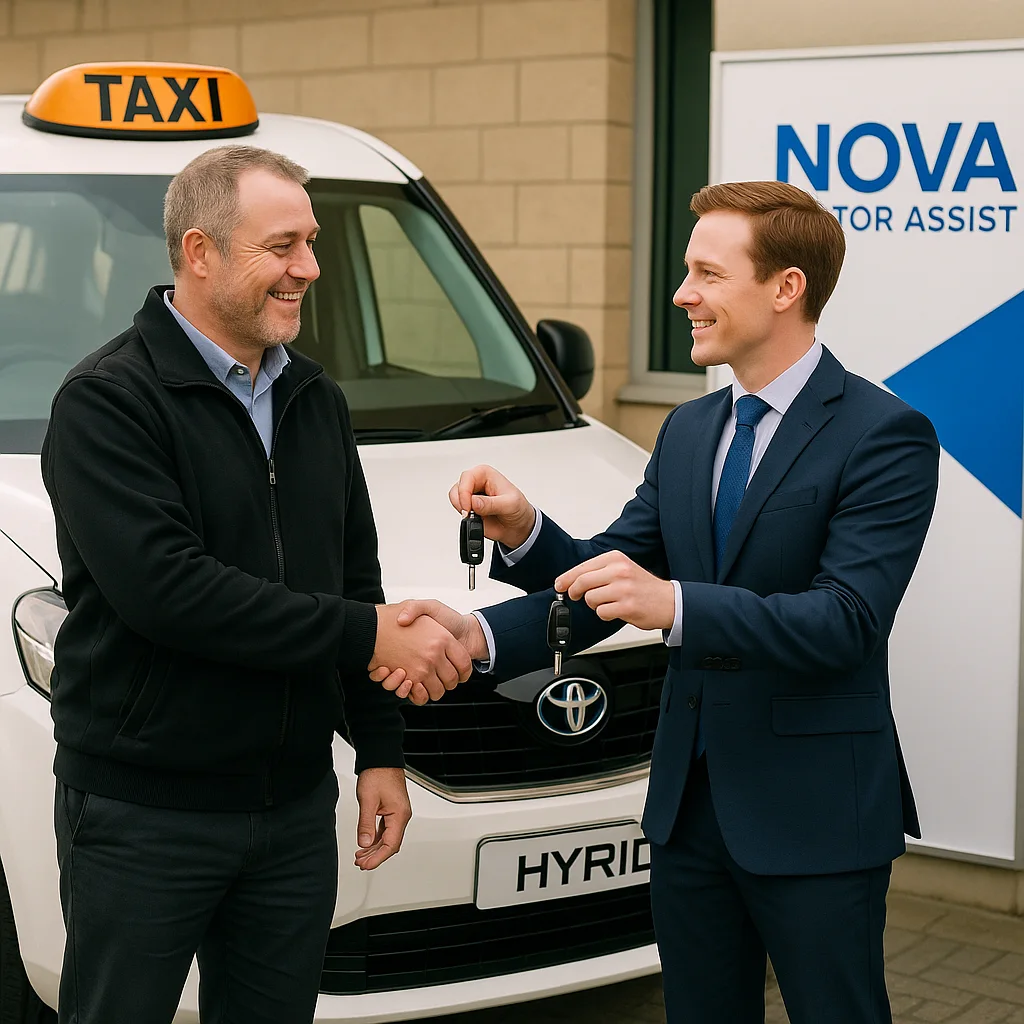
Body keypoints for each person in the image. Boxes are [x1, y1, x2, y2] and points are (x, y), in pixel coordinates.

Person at [376, 181, 941, 1023]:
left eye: (708, 274)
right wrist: (513, 563)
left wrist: (674, 604)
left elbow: (845, 621)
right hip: (687, 814)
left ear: (786, 288)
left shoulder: (885, 434)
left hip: (814, 812)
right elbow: (612, 581)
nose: (682, 295)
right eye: (687, 273)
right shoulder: (689, 430)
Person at [41, 145, 472, 1024]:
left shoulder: (315, 397)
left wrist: (382, 748)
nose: (309, 268)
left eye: (310, 243)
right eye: (283, 247)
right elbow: (171, 592)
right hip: (144, 814)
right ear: (200, 252)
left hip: (290, 810)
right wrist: (372, 636)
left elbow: (354, 576)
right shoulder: (106, 400)